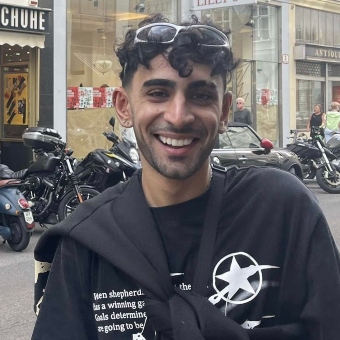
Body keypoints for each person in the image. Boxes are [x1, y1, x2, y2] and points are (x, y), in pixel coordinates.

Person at [32, 13, 340, 340]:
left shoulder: (280, 211)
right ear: (124, 106)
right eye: (158, 93)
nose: (178, 117)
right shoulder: (88, 243)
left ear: (223, 112)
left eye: (200, 95)